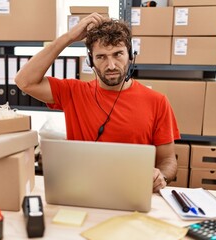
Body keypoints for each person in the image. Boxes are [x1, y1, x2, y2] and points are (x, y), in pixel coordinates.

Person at [15, 13, 180, 193]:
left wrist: (161, 177)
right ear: (90, 61)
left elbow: (168, 160)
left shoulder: (157, 101)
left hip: (134, 194)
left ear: (131, 55)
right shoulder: (73, 92)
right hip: (82, 193)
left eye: (118, 54)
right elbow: (24, 81)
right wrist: (68, 37)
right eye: (101, 57)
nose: (111, 65)